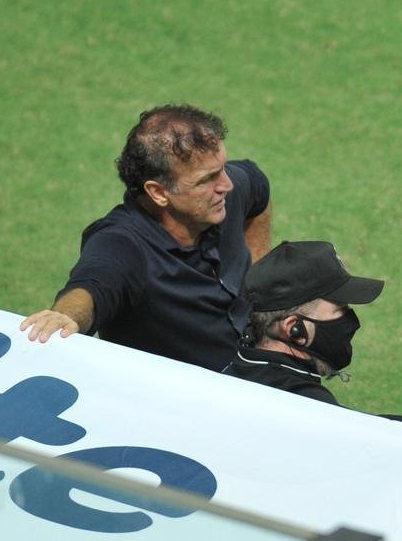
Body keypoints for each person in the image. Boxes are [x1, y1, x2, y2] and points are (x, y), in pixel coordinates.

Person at [20, 104, 271, 371]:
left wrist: (260, 277)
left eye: (221, 168)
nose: (226, 184)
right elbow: (91, 288)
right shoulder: (122, 244)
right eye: (207, 179)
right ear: (159, 193)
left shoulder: (221, 195)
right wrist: (63, 317)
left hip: (260, 368)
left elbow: (257, 188)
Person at [224, 240, 402, 455]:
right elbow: (366, 440)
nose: (350, 321)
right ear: (295, 328)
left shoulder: (236, 366)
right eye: (339, 309)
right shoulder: (303, 406)